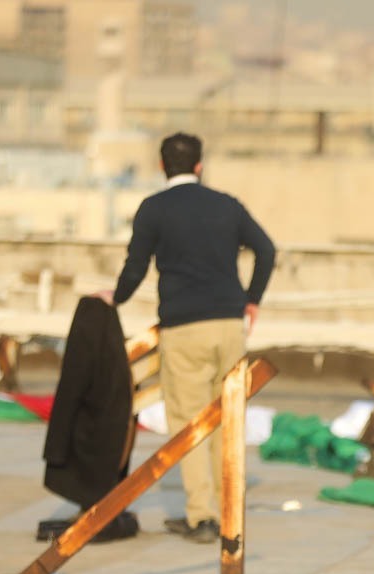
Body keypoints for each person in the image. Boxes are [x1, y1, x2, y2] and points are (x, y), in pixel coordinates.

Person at [99, 132, 276, 544]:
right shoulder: (227, 205)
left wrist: (115, 298)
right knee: (227, 418)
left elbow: (135, 267)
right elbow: (266, 251)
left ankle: (202, 517)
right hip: (229, 325)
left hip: (184, 328)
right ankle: (230, 512)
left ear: (163, 166)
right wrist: (252, 300)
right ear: (199, 165)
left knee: (190, 422)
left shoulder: (154, 209)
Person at [39, 296, 139, 543]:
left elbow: (72, 385)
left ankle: (92, 509)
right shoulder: (114, 359)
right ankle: (92, 507)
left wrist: (55, 448)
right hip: (109, 440)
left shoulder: (90, 321)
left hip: (92, 440)